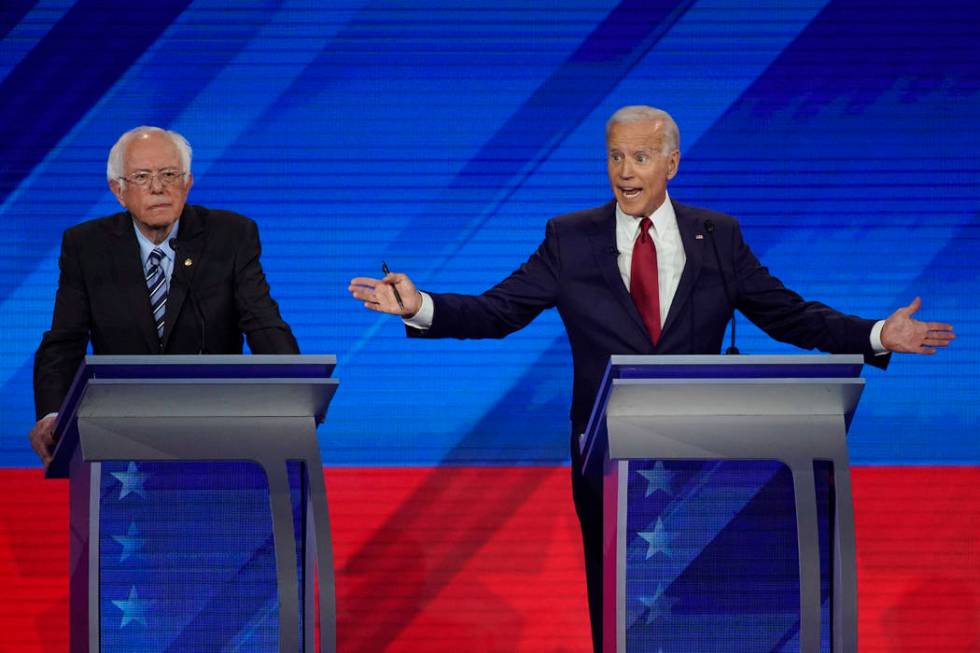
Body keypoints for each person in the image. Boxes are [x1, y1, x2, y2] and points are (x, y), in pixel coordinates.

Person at [348, 105, 955, 651]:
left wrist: (878, 334)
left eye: (640, 156)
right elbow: (498, 310)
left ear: (671, 163)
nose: (624, 171)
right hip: (607, 454)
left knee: (699, 599)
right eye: (614, 156)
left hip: (706, 452)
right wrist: (419, 304)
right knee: (617, 599)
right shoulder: (570, 237)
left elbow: (788, 315)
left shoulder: (717, 236)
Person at [30, 125, 299, 465]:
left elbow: (263, 324)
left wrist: (294, 395)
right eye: (142, 177)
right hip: (121, 432)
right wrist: (54, 414)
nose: (158, 187)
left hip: (216, 427)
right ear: (118, 190)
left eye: (169, 174)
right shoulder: (87, 247)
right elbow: (64, 341)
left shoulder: (231, 236)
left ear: (188, 183)